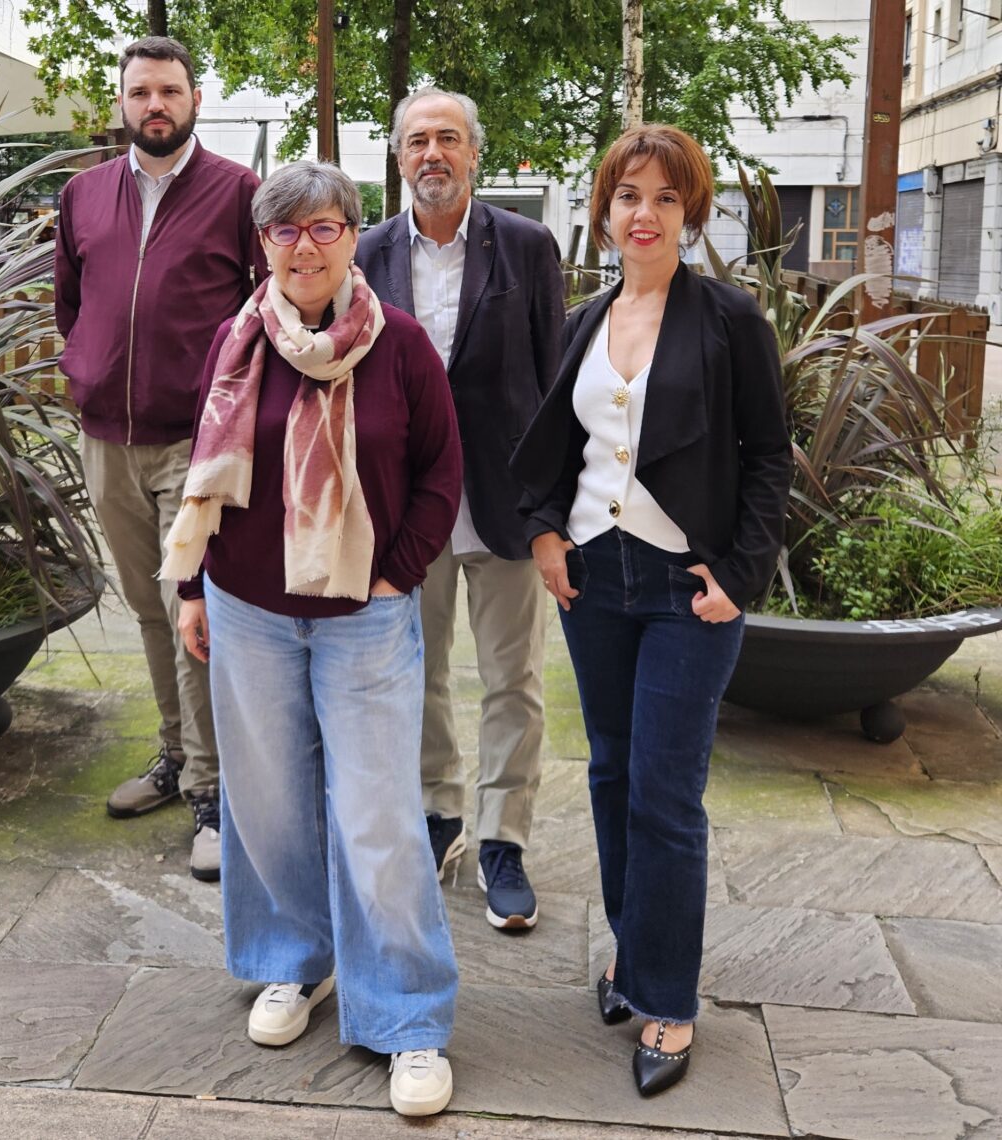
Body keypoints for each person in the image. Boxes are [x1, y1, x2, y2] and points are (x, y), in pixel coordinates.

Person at [160, 161, 462, 1117]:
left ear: (352, 237)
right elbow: (203, 472)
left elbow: (442, 474)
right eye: (285, 231)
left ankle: (407, 1014)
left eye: (324, 227)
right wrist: (192, 586)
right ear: (264, 243)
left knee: (378, 816)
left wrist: (394, 574)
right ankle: (296, 962)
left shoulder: (400, 344)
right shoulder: (237, 338)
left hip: (363, 618)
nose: (304, 247)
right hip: (247, 608)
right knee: (269, 804)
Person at [510, 124, 791, 1096]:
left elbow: (768, 457)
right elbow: (556, 446)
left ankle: (668, 999)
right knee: (611, 773)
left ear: (690, 213)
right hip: (596, 578)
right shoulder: (583, 320)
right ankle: (634, 951)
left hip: (686, 588)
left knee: (665, 795)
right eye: (629, 195)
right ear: (605, 210)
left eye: (667, 198)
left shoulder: (728, 320)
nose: (646, 213)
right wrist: (545, 534)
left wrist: (740, 575)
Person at [54, 36, 265, 882]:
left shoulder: (238, 192)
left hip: (193, 442)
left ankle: (213, 793)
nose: (154, 105)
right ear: (122, 101)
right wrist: (84, 373)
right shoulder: (82, 195)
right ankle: (175, 754)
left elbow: (261, 311)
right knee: (148, 610)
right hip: (107, 439)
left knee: (193, 611)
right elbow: (70, 304)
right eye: (140, 91)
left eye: (169, 91)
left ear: (194, 99)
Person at [357, 87, 564, 932]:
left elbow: (554, 383)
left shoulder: (526, 246)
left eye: (448, 138)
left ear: (475, 153)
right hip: (409, 508)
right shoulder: (367, 253)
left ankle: (502, 839)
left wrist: (552, 511)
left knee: (514, 679)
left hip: (505, 502)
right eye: (417, 141)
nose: (433, 153)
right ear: (399, 157)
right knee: (417, 672)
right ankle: (437, 814)